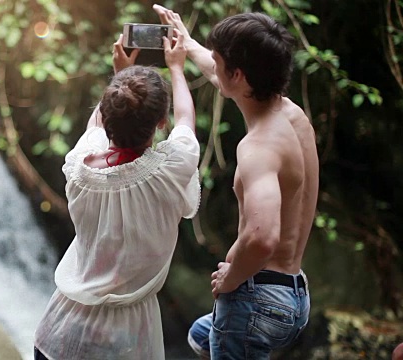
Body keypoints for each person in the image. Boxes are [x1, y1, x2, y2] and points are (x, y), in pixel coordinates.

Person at [154, 4, 319, 359]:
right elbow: (221, 74)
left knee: (222, 331)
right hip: (293, 294)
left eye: (218, 59)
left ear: (240, 76)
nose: (214, 65)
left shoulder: (259, 148)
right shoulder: (291, 116)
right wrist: (187, 42)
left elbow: (262, 238)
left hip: (257, 299)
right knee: (202, 335)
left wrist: (231, 280)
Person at [33, 31, 201, 359]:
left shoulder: (79, 168)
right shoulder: (169, 170)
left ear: (107, 119)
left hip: (58, 335)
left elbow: (95, 126)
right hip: (126, 342)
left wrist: (119, 75)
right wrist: (177, 68)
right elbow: (186, 120)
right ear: (160, 122)